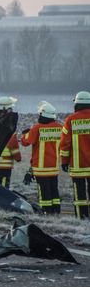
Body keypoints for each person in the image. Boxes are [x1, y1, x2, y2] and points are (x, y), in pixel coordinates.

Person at [21, 102, 63, 214]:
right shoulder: (60, 127)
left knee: (44, 192)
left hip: (41, 168)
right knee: (54, 191)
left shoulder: (37, 128)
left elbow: (26, 142)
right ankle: (56, 212)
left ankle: (46, 212)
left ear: (42, 115)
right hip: (54, 167)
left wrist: (24, 133)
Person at [60, 90, 90, 219]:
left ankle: (81, 217)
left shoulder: (71, 119)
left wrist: (64, 161)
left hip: (78, 165)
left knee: (80, 195)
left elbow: (65, 143)